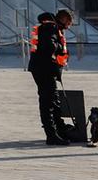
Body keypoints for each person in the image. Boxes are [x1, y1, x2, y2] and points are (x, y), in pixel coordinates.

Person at [27, 10, 72, 145]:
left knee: (53, 100)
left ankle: (59, 129)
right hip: (44, 69)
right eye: (69, 23)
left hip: (43, 68)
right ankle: (51, 135)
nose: (69, 26)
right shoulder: (51, 27)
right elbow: (50, 46)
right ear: (64, 19)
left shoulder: (47, 26)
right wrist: (60, 47)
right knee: (48, 102)